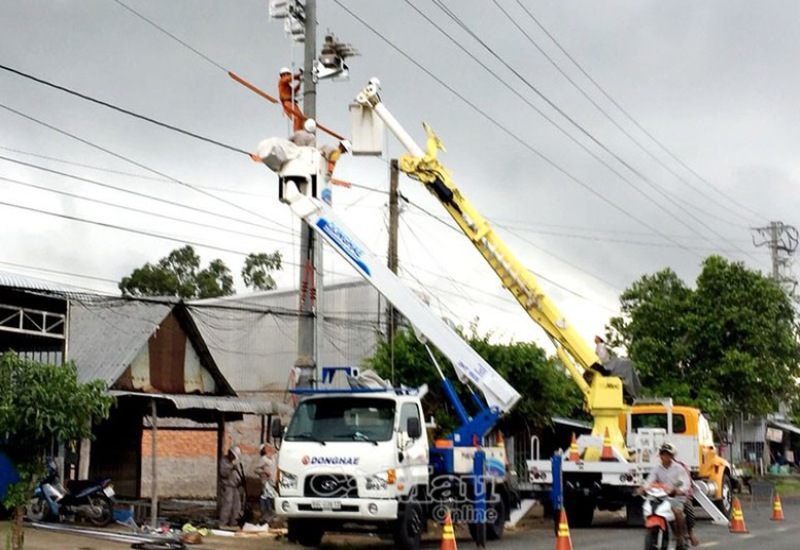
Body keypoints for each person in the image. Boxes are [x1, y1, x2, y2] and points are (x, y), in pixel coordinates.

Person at [636, 443, 693, 549]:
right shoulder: (656, 469)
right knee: (649, 507)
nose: (665, 456)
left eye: (668, 454)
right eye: (663, 454)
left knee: (677, 511)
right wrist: (642, 489)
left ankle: (680, 536)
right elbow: (649, 481)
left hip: (675, 497)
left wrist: (679, 490)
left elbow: (685, 483)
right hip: (659, 497)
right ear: (660, 455)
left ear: (672, 456)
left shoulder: (679, 468)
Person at [219, 446, 244, 528]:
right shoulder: (224, 461)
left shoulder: (234, 462)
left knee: (236, 505)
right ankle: (223, 522)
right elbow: (223, 473)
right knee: (227, 504)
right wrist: (231, 468)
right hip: (228, 486)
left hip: (235, 486)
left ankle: (234, 521)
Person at [254, 443, 278, 523]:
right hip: (267, 482)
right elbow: (256, 469)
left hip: (273, 482)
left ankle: (268, 518)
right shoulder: (263, 459)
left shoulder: (272, 459)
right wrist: (264, 471)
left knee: (272, 499)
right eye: (267, 447)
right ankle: (267, 518)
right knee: (270, 499)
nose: (269, 448)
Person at [278, 66, 305, 132]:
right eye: (288, 74)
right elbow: (288, 79)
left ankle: (301, 133)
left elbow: (294, 91)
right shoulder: (281, 81)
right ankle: (297, 135)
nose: (288, 76)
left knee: (302, 118)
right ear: (283, 75)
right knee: (298, 118)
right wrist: (299, 75)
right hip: (287, 103)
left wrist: (300, 82)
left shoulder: (287, 86)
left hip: (291, 103)